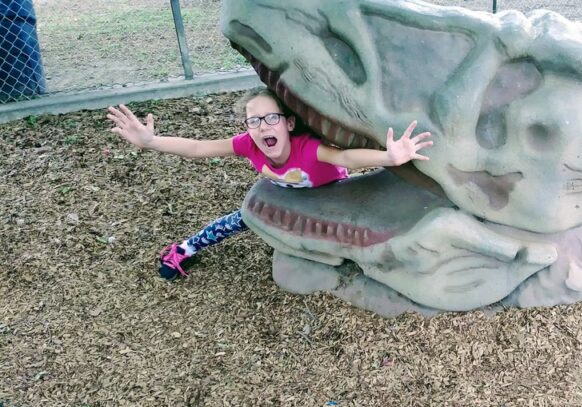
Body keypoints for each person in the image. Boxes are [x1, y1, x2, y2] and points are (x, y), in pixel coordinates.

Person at [107, 88, 433, 280]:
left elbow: (346, 158)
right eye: (254, 121)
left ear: (288, 123)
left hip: (329, 196)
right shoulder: (249, 144)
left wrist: (390, 157)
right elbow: (197, 148)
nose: (263, 127)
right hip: (284, 195)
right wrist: (151, 142)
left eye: (271, 118)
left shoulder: (307, 148)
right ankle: (185, 249)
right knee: (243, 217)